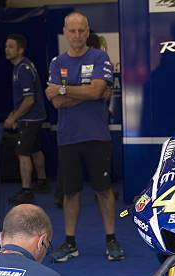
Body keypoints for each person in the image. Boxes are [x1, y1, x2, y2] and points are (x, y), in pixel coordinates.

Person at [45, 12, 124, 262]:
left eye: (81, 30)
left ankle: (111, 239)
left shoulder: (100, 57)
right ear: (65, 32)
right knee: (71, 193)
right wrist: (85, 93)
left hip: (97, 136)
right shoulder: (57, 62)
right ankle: (70, 243)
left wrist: (65, 89)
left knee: (104, 190)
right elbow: (56, 102)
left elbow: (97, 91)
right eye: (72, 30)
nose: (77, 35)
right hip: (68, 138)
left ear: (87, 32)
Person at [4, 34, 48, 205]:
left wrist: (13, 118)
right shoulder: (22, 66)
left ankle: (26, 190)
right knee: (35, 149)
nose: (7, 49)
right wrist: (13, 113)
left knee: (23, 153)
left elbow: (29, 100)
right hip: (35, 116)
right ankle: (43, 182)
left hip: (30, 118)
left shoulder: (22, 69)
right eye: (6, 46)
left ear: (20, 50)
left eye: (11, 46)